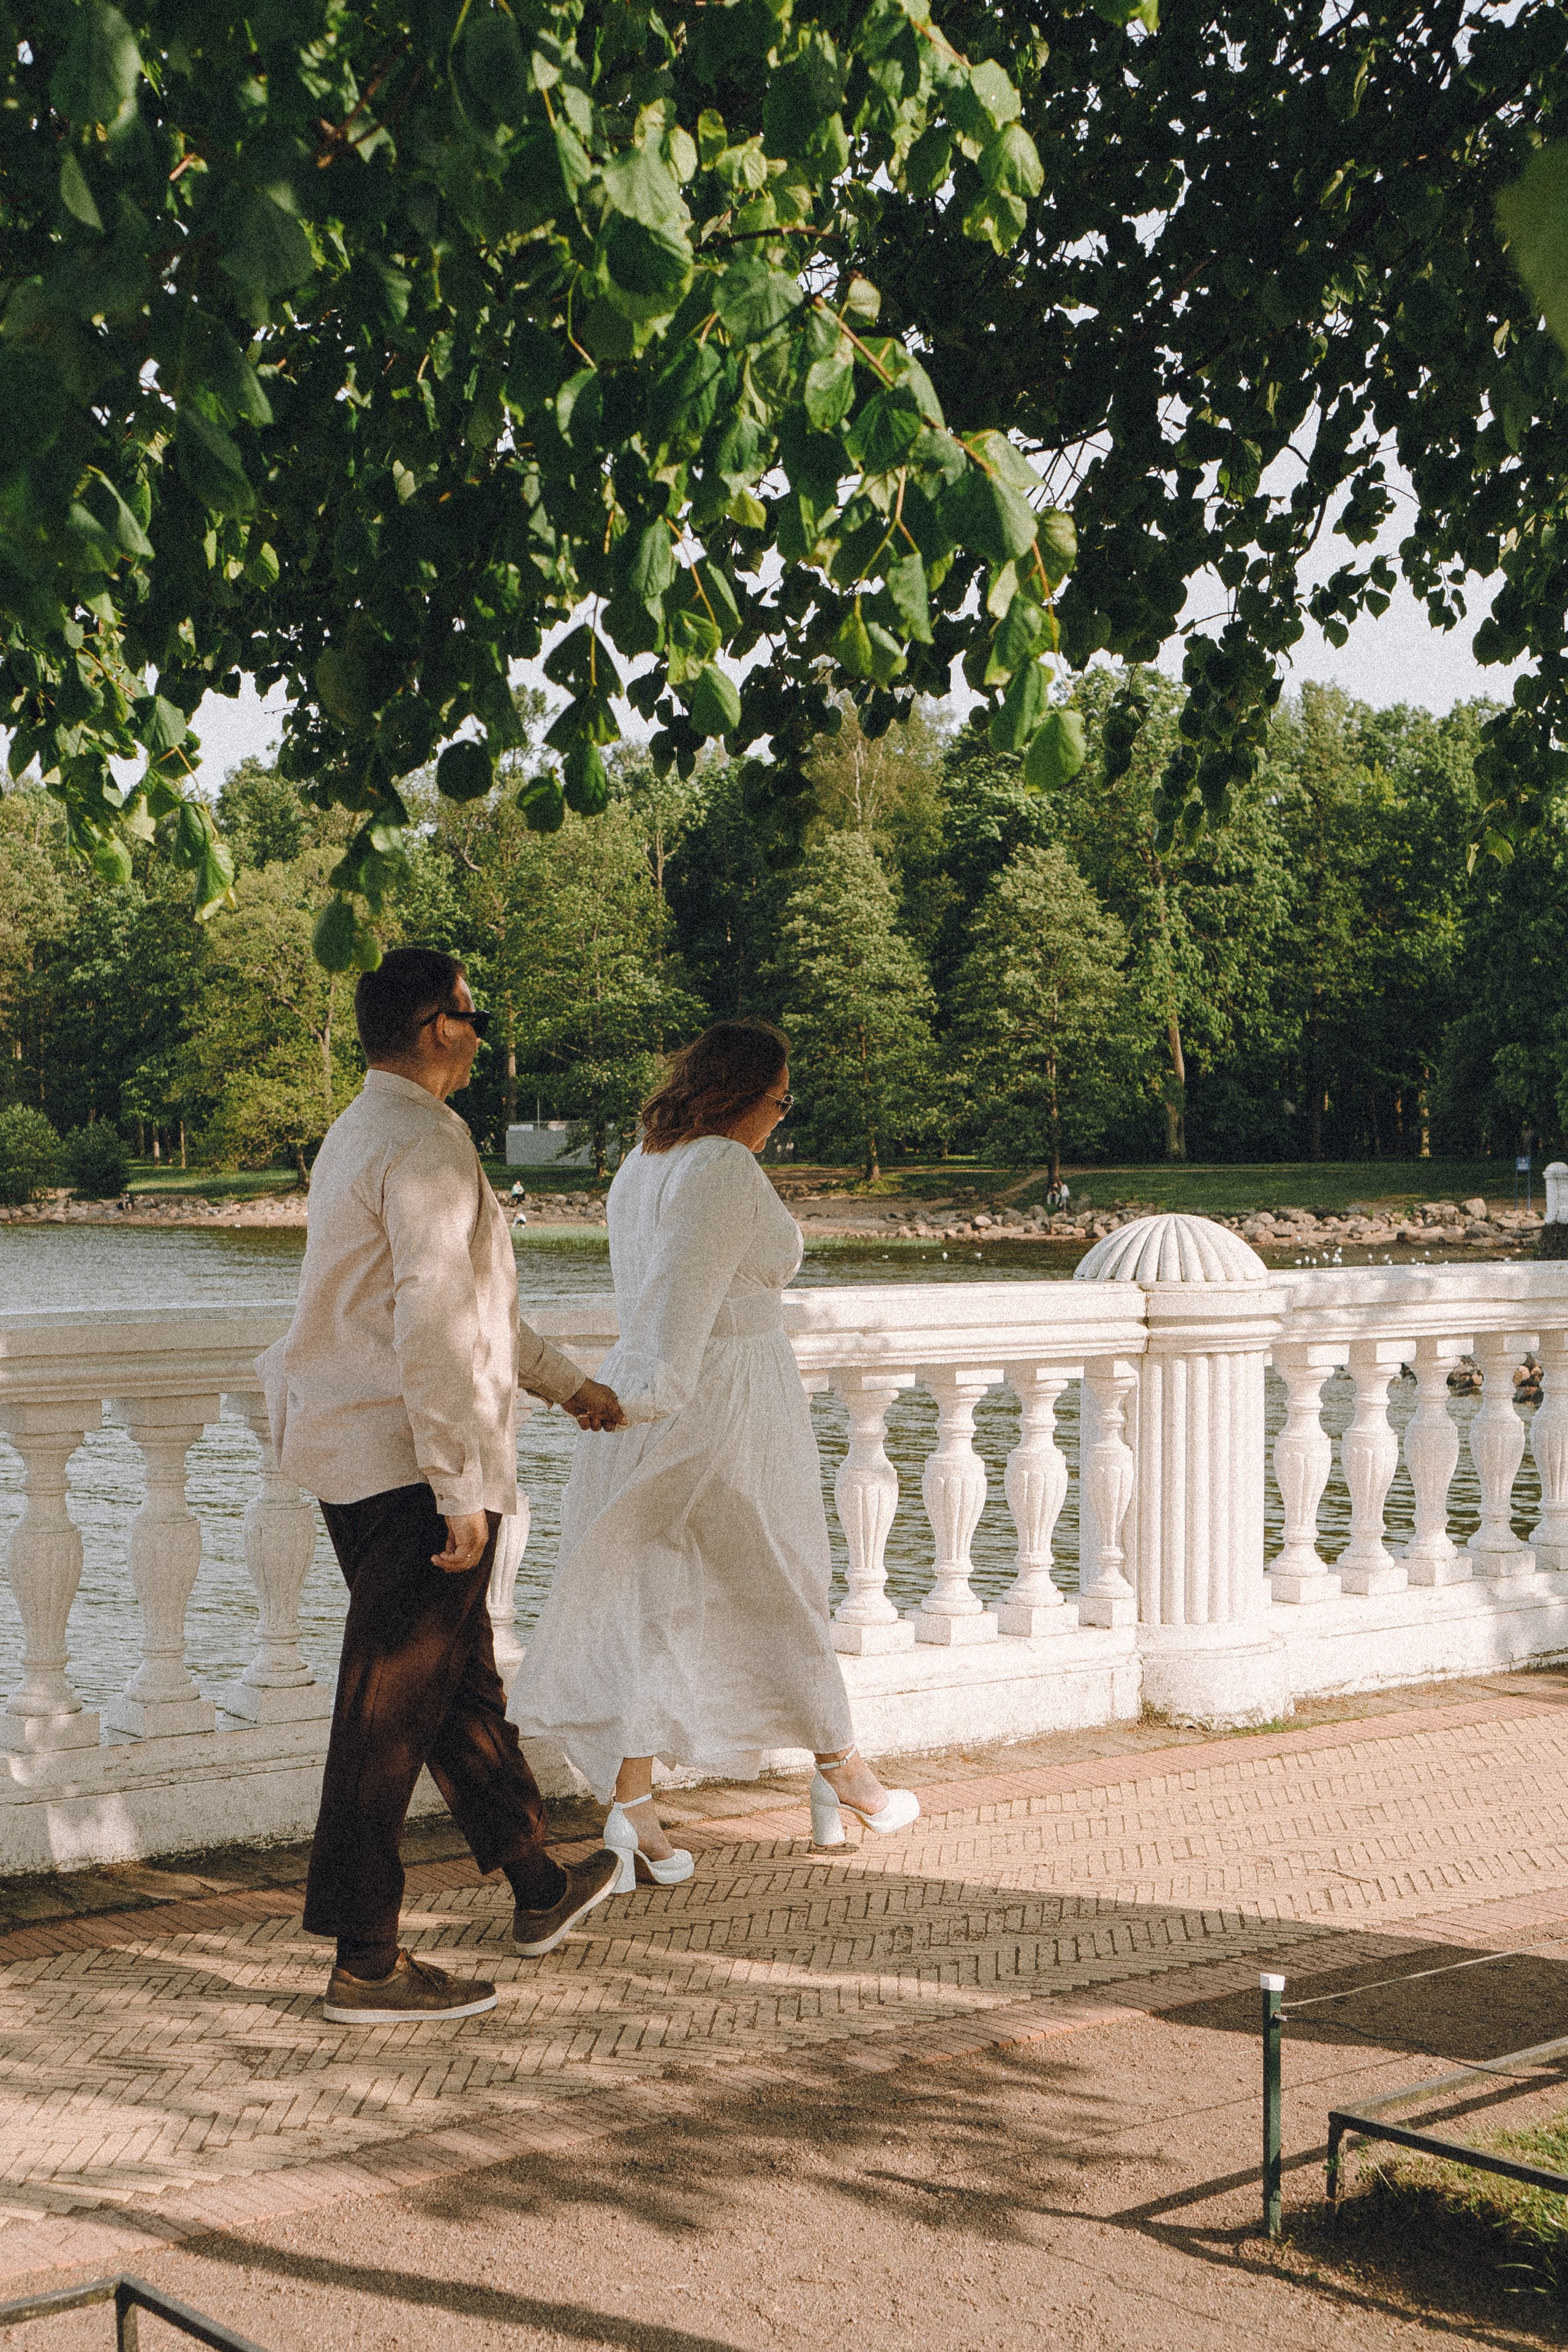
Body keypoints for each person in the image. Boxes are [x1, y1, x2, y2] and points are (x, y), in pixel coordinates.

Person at [257, 947, 624, 2024]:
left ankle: (537, 1883)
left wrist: (567, 1387)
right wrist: (457, 1481)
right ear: (432, 1027)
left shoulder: (358, 1130)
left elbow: (475, 1315)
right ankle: (366, 1964)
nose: (484, 1033)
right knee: (386, 1713)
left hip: (358, 1453)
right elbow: (429, 1320)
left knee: (457, 1683)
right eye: (475, 1015)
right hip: (410, 1467)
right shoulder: (423, 1141)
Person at [512, 1019, 918, 1883]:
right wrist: (638, 1401)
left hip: (666, 1388)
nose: (781, 1118)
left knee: (652, 1596)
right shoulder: (723, 1169)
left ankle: (633, 1811)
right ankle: (842, 1768)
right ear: (743, 1095)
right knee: (781, 1575)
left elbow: (661, 1301)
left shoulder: (642, 1162)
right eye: (779, 1101)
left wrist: (629, 1395)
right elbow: (683, 1307)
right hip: (718, 1400)